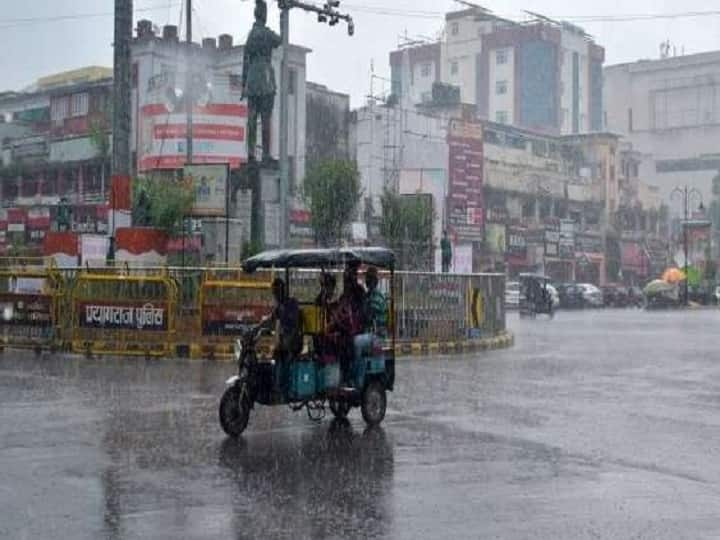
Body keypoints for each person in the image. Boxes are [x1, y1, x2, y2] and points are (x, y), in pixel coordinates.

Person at [242, 0, 281, 163]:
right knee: (265, 117)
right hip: (265, 78)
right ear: (264, 15)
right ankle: (265, 154)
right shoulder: (266, 33)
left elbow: (245, 61)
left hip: (252, 79)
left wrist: (244, 84)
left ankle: (250, 153)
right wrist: (283, 21)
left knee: (251, 118)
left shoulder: (250, 36)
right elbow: (280, 40)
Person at [365, 266, 387, 337]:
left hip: (376, 334)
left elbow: (370, 316)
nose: (366, 281)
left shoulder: (376, 298)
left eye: (369, 278)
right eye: (367, 278)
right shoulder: (368, 295)